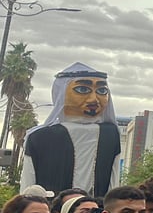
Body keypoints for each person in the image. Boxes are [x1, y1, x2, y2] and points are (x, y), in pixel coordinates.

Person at [21, 63, 121, 196]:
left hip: (97, 207)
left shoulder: (110, 134)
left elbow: (113, 184)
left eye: (102, 91)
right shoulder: (40, 137)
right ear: (61, 93)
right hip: (51, 207)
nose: (94, 99)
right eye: (82, 90)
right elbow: (28, 185)